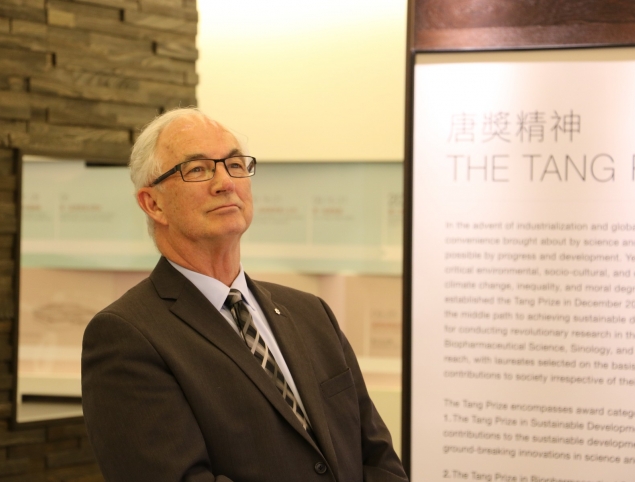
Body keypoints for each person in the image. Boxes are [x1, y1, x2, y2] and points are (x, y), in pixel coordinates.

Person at [81, 108, 409, 482]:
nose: (226, 182)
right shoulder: (127, 336)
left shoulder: (311, 313)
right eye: (199, 169)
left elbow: (377, 456)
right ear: (153, 203)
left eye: (235, 164)